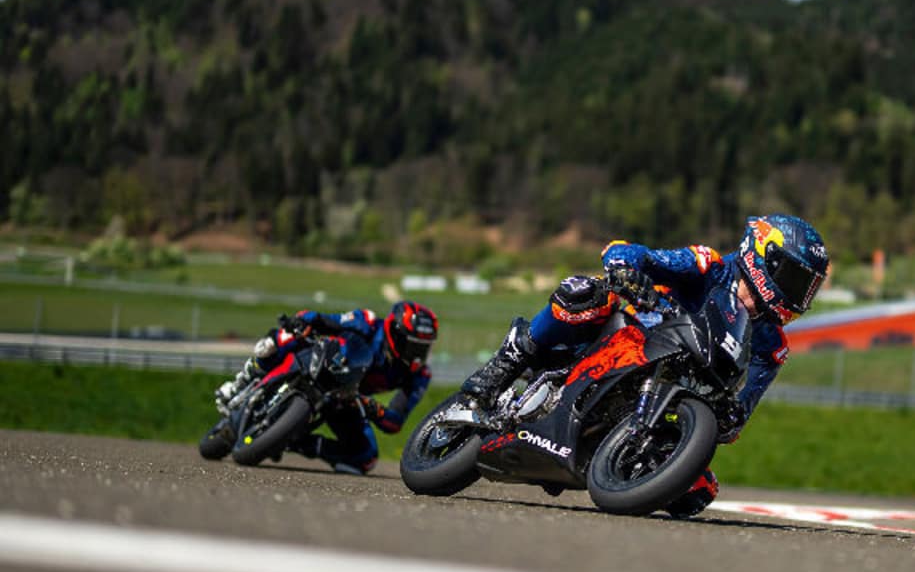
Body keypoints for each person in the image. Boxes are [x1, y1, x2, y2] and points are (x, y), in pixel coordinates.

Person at [460, 213, 828, 515]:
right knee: (585, 292)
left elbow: (740, 411)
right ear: (764, 258)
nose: (799, 295)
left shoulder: (772, 347)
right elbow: (637, 254)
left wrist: (730, 420)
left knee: (696, 494)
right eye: (796, 280)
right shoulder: (709, 266)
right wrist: (624, 269)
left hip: (666, 401)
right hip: (629, 338)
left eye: (808, 287)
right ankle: (511, 357)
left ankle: (611, 457)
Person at [218, 300, 438, 474]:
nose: (417, 355)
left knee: (366, 458)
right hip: (320, 360)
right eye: (413, 346)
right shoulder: (367, 321)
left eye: (423, 348)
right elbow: (322, 319)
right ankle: (245, 379)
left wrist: (370, 406)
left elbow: (394, 421)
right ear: (396, 333)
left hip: (346, 397)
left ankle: (292, 441)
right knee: (284, 337)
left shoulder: (419, 374)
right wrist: (303, 322)